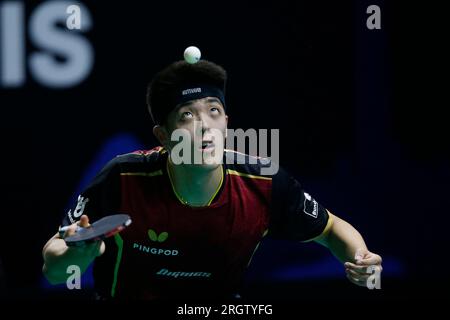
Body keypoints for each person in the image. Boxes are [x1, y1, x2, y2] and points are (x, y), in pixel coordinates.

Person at [42, 59, 382, 300]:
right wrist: (77, 254)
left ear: (227, 124)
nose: (205, 125)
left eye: (213, 111)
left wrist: (360, 257)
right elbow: (54, 269)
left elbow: (330, 228)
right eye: (187, 115)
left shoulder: (263, 182)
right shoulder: (122, 177)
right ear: (163, 135)